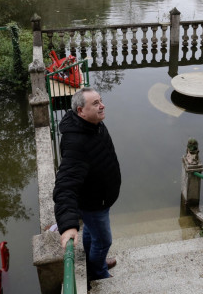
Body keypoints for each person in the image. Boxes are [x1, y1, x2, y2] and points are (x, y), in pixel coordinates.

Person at [53, 87, 121, 282]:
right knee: (104, 239)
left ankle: (94, 262)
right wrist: (67, 225)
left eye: (101, 100)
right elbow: (65, 184)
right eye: (95, 103)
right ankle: (98, 272)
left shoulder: (94, 123)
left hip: (99, 197)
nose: (102, 106)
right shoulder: (76, 142)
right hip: (93, 202)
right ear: (81, 111)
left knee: (92, 233)